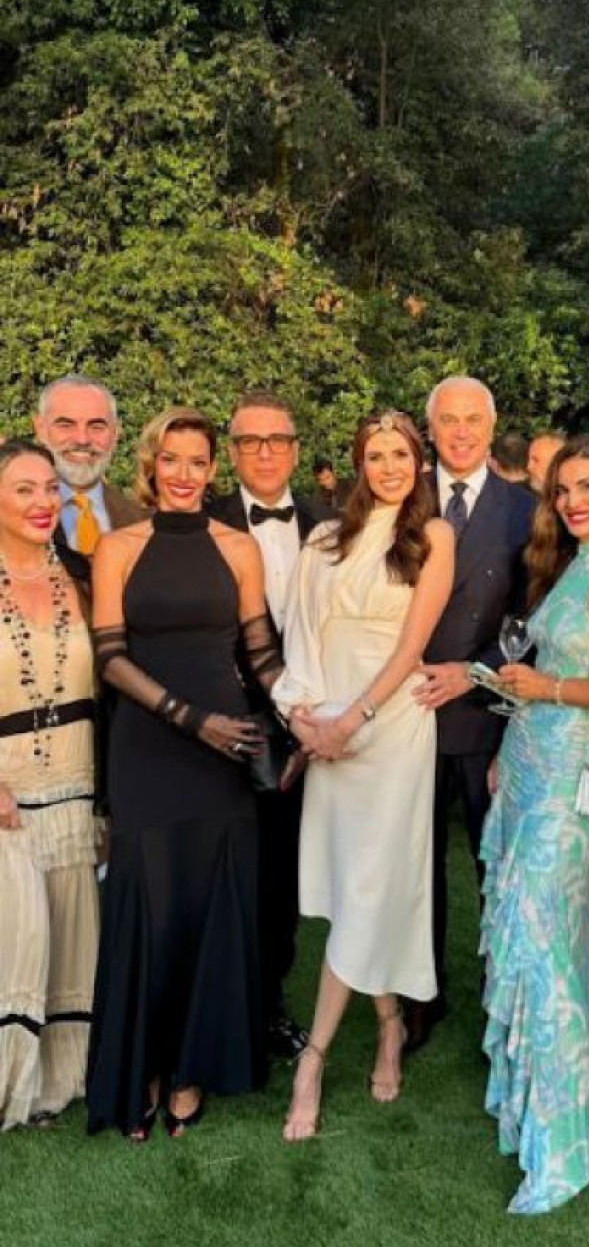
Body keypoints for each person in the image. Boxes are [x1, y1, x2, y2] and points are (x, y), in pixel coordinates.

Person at [86, 407, 280, 1140]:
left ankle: (193, 1067)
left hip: (226, 753)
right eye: (171, 459)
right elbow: (110, 657)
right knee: (150, 903)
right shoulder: (118, 547)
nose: (184, 474)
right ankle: (145, 1064)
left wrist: (312, 711)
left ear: (213, 468)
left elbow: (261, 653)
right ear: (151, 463)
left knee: (208, 904)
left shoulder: (239, 547)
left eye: (198, 461)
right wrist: (191, 719)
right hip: (149, 745)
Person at [480, 436, 589, 1213]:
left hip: (572, 772)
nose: (574, 500)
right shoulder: (572, 564)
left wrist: (541, 688)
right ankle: (534, 1112)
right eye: (562, 489)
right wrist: (510, 732)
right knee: (541, 938)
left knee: (540, 939)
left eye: (588, 485)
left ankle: (566, 1140)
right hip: (527, 760)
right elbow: (545, 672)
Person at [274, 411, 453, 1140]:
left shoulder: (434, 536)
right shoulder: (324, 539)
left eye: (400, 454)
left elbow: (413, 645)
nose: (389, 467)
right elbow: (300, 633)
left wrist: (355, 719)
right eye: (376, 455)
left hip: (393, 724)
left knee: (373, 884)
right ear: (358, 463)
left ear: (419, 462)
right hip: (327, 727)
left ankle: (312, 1058)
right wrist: (305, 719)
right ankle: (387, 1022)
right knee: (355, 885)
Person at [407, 376, 535, 1052]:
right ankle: (418, 995)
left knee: (496, 865)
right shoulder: (403, 495)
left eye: (472, 420)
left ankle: (501, 996)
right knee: (415, 866)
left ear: (491, 426)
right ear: (430, 429)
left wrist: (474, 670)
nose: (460, 433)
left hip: (488, 715)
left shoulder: (526, 509)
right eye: (448, 420)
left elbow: (535, 616)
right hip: (409, 710)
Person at [209, 390, 318, 1061]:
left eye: (278, 439)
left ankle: (269, 1003)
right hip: (223, 724)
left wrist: (312, 722)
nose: (266, 452)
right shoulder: (202, 522)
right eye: (251, 441)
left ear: (296, 449)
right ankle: (219, 1006)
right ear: (232, 452)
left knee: (281, 877)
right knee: (224, 872)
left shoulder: (331, 524)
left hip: (305, 727)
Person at [0, 441, 100, 1128]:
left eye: (51, 488)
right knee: (19, 938)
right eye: (24, 489)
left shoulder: (85, 576)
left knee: (71, 940)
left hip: (78, 779)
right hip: (8, 790)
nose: (43, 502)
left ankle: (59, 1080)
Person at [34, 375, 146, 560]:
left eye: (96, 427)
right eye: (66, 425)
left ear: (115, 433)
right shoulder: (11, 518)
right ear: (40, 429)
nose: (82, 439)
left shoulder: (141, 522)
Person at [308, 455, 351, 521]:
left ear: (334, 472)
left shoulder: (349, 486)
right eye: (321, 480)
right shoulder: (318, 497)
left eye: (327, 477)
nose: (326, 483)